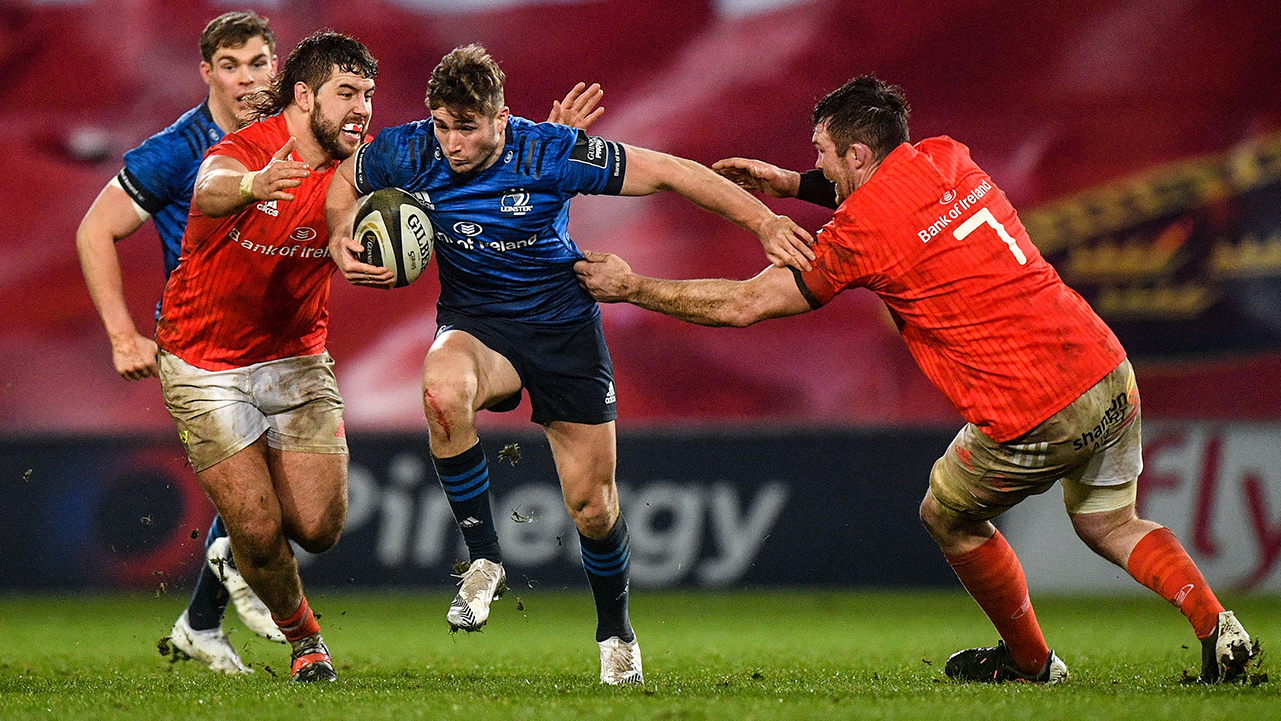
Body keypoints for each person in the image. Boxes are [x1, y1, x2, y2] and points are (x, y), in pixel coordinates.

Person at [574, 75, 1257, 685]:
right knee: (1110, 521)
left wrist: (632, 285)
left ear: (857, 154)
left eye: (821, 153)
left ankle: (1028, 660)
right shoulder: (947, 155)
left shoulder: (859, 233)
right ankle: (1216, 624)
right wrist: (789, 183)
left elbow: (747, 304)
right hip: (1105, 369)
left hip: (1030, 407)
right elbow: (883, 196)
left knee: (947, 514)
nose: (817, 164)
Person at [326, 43, 814, 685]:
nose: (450, 143)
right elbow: (344, 180)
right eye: (443, 125)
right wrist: (339, 234)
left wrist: (764, 221)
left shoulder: (551, 151)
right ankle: (485, 562)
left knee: (593, 507)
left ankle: (616, 633)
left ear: (502, 121)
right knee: (441, 388)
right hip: (478, 326)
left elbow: (671, 171)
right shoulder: (410, 148)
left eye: (466, 128)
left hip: (563, 332)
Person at [154, 30, 380, 683]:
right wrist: (255, 184)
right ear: (304, 95)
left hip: (296, 356)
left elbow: (410, 177)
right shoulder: (245, 151)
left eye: (367, 93)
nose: (361, 107)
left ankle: (215, 601)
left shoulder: (357, 162)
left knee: (317, 526)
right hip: (203, 361)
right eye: (346, 94)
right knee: (255, 524)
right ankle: (306, 641)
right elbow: (211, 186)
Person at [74, 10, 286, 675]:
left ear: (274, 65)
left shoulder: (290, 134)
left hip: (272, 335)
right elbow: (94, 230)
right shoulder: (178, 148)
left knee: (284, 487)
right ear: (208, 72)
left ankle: (201, 620)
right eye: (230, 65)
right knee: (260, 484)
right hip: (199, 339)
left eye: (257, 63)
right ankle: (238, 577)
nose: (246, 78)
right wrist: (120, 335)